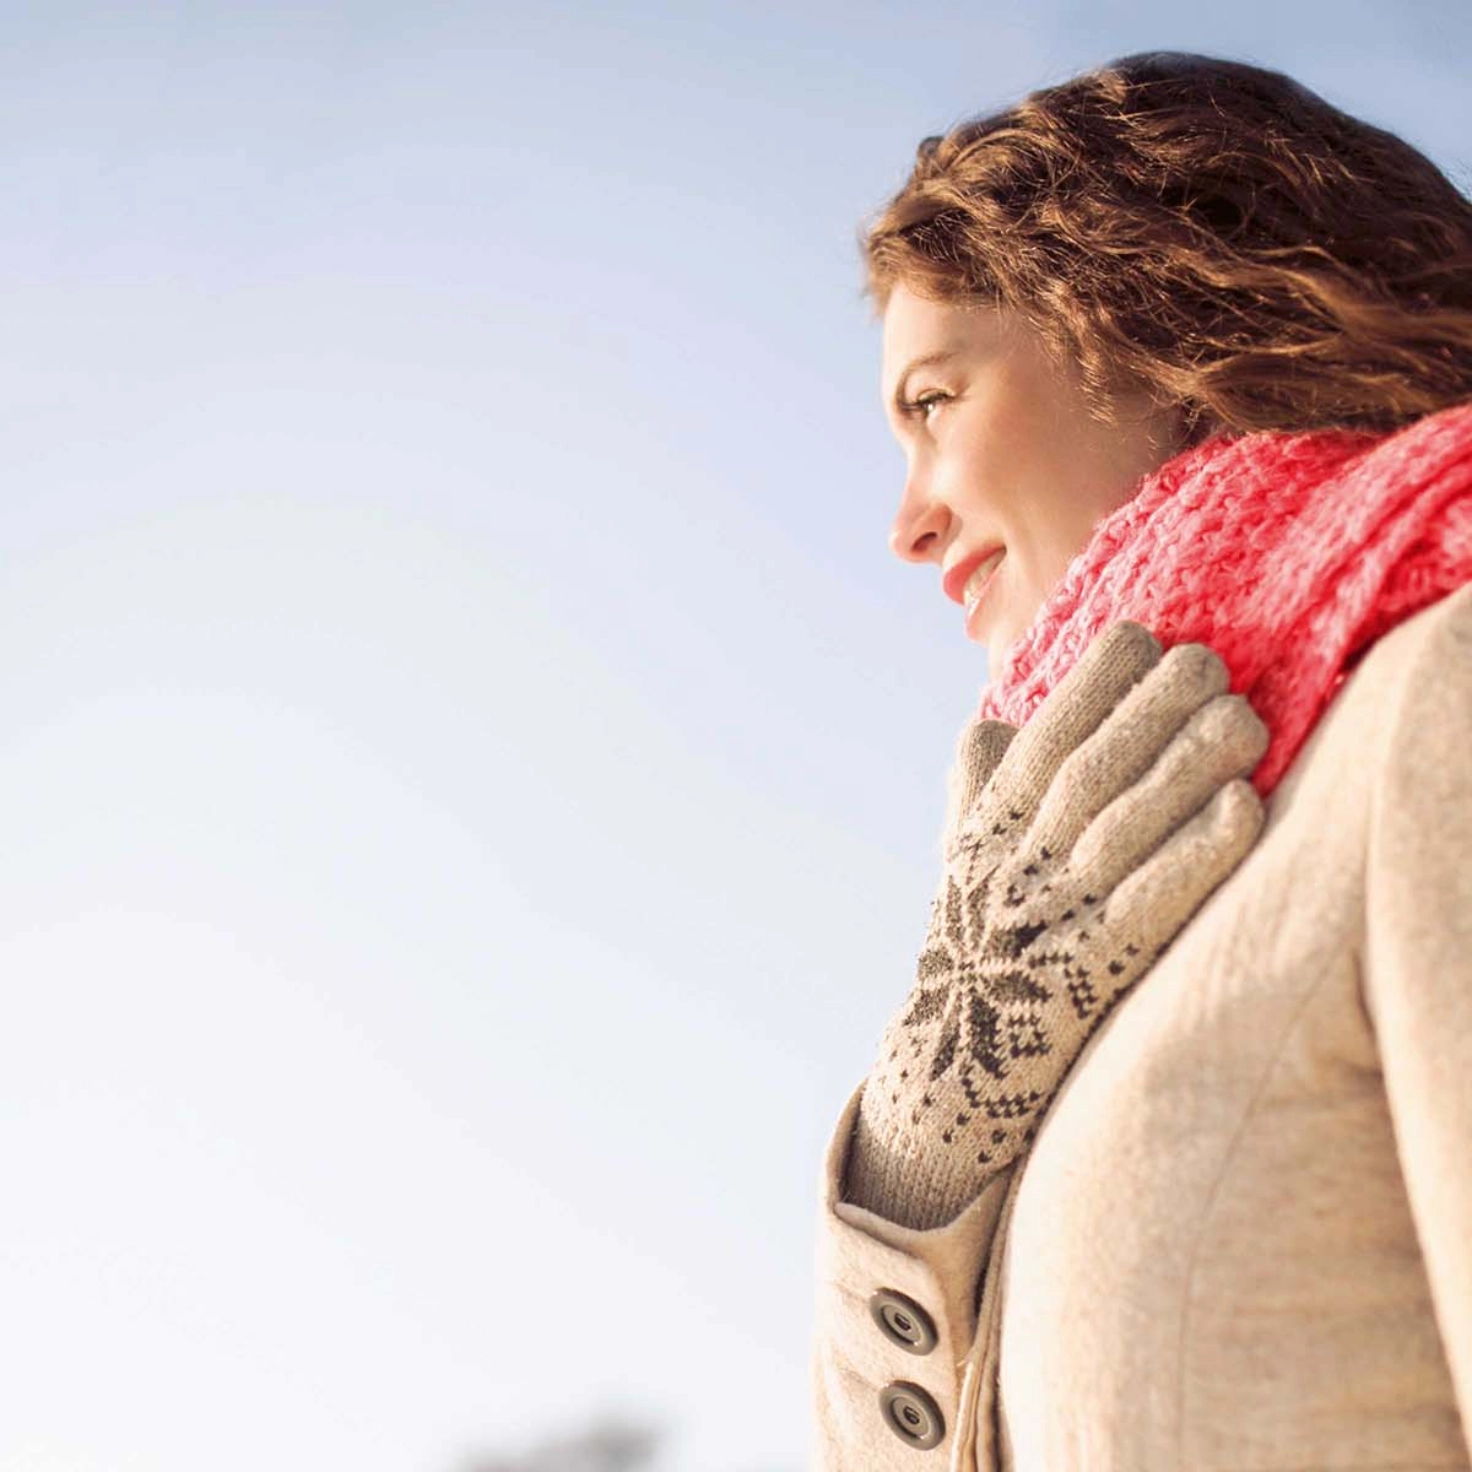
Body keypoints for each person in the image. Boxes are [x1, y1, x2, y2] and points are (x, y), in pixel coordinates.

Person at [809, 50, 1472, 1470]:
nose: (907, 525)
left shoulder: (1439, 704)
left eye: (934, 404)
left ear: (1145, 315)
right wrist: (920, 1159)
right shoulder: (1075, 931)